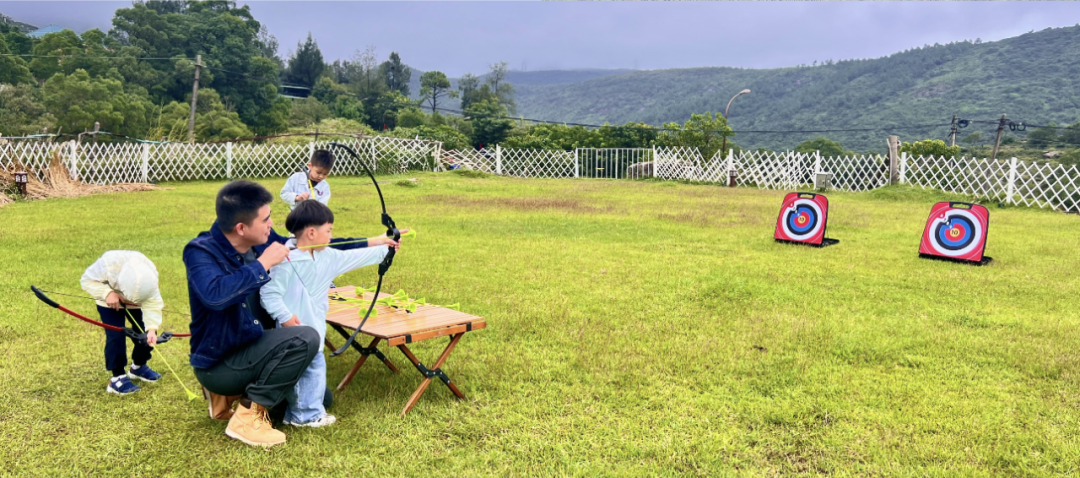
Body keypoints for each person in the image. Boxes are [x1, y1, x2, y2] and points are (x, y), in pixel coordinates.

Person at [183, 180, 385, 447]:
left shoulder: (261, 240)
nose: (271, 224)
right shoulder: (201, 251)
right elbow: (216, 296)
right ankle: (247, 418)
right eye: (266, 219)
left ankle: (233, 396)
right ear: (242, 228)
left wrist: (375, 242)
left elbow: (313, 242)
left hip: (251, 343)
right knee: (306, 337)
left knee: (321, 398)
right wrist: (264, 263)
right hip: (220, 362)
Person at [260, 200, 401, 427]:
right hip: (293, 332)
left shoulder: (326, 256)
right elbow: (269, 293)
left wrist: (386, 248)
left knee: (315, 368)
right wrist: (285, 318)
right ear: (312, 233)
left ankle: (309, 411)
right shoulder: (285, 260)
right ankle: (301, 416)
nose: (331, 236)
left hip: (314, 328)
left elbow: (354, 256)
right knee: (302, 371)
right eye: (329, 231)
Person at [80, 251, 165, 395]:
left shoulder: (149, 276)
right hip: (108, 300)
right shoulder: (108, 264)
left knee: (145, 333)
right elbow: (87, 280)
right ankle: (117, 378)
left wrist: (151, 329)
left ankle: (138, 367)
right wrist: (107, 293)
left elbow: (153, 303)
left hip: (139, 301)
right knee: (116, 334)